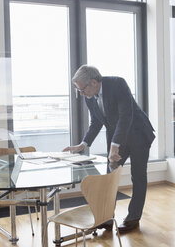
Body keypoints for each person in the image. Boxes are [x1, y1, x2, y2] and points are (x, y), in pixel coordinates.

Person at [63, 65, 155, 233]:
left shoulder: (117, 84)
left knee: (138, 175)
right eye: (79, 91)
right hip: (118, 138)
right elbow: (96, 122)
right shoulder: (88, 97)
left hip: (138, 135)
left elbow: (126, 116)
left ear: (93, 82)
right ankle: (106, 217)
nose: (81, 94)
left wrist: (114, 145)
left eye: (82, 90)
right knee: (109, 177)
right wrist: (83, 144)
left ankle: (133, 218)